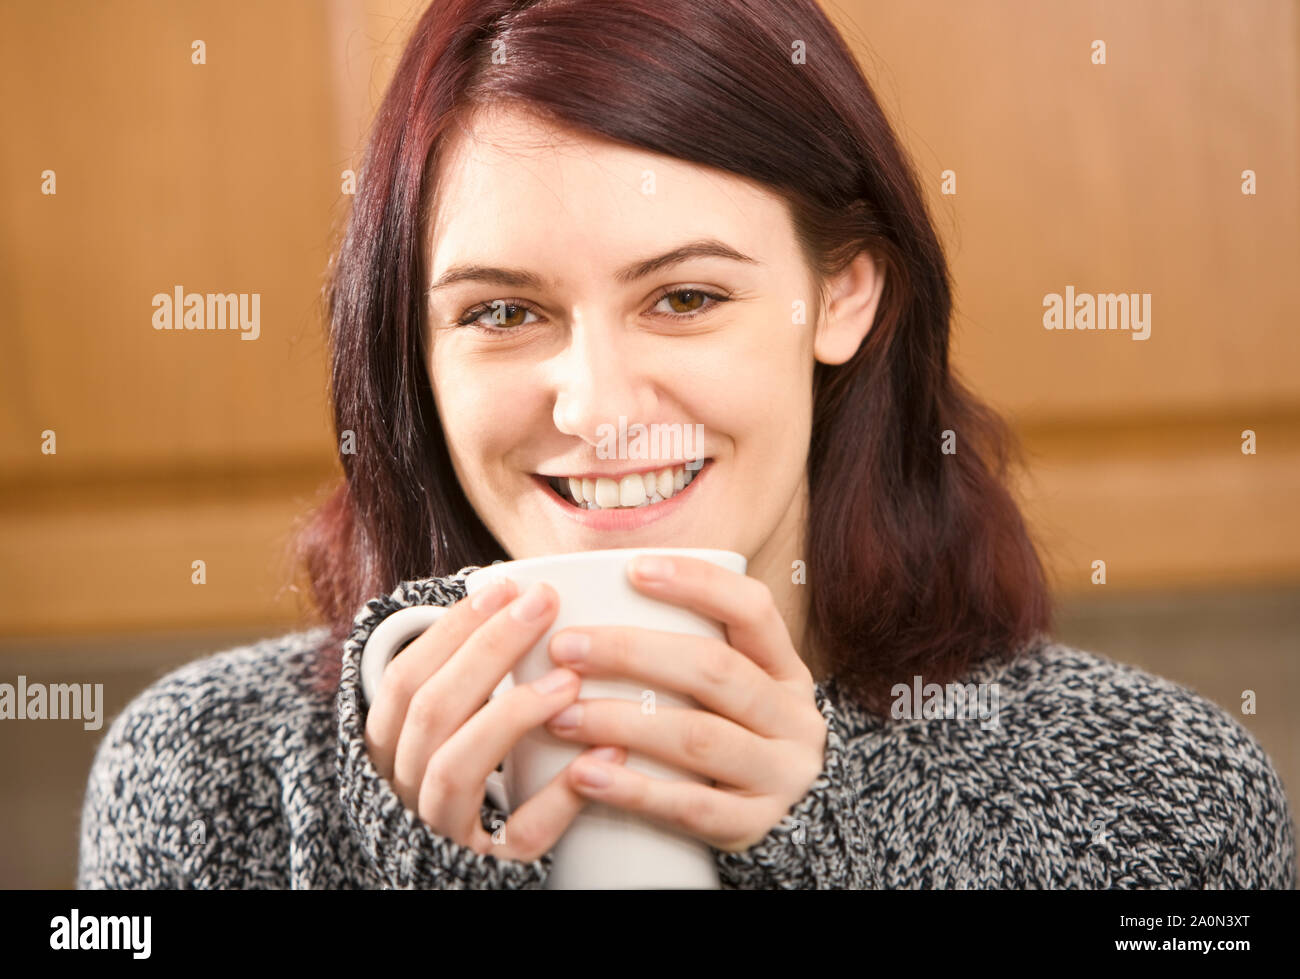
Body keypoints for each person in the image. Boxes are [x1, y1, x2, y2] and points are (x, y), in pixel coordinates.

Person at [78, 0, 1295, 889]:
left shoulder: (1160, 800)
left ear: (845, 293)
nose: (596, 406)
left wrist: (845, 838)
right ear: (415, 347)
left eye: (686, 298)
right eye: (504, 312)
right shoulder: (209, 772)